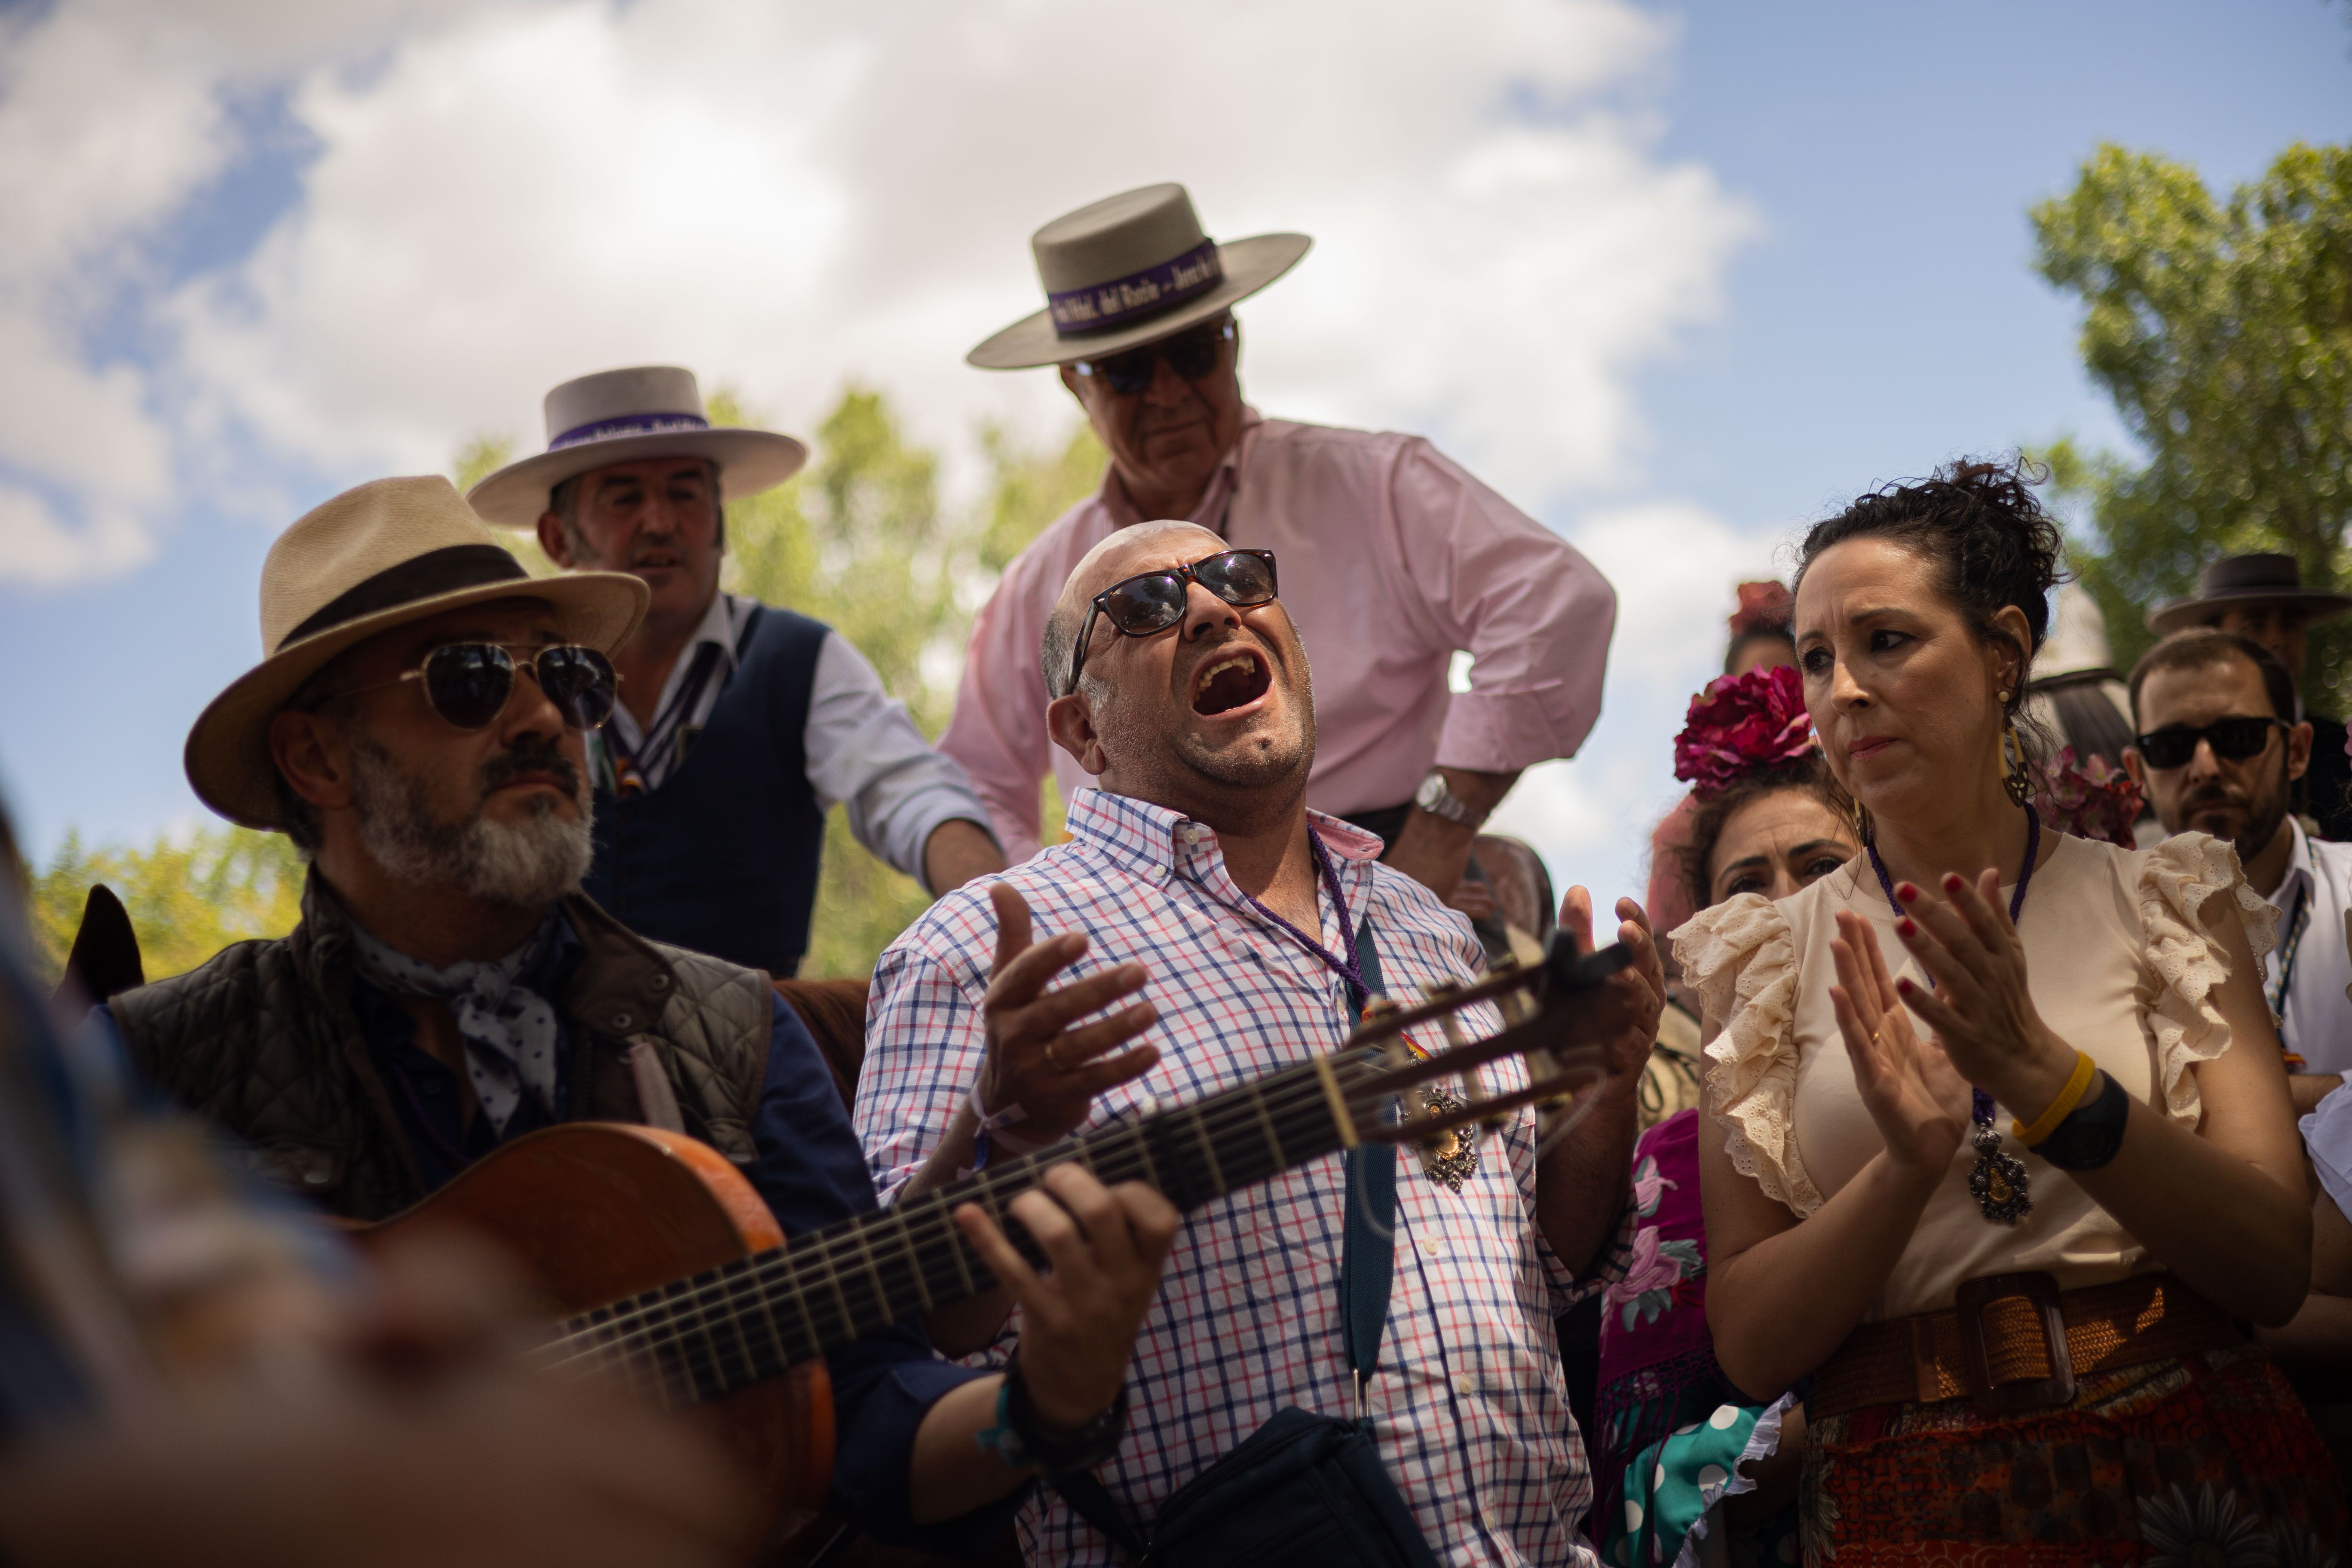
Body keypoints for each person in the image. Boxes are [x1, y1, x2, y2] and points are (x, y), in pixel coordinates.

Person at [98, 475, 1176, 1548]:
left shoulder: (740, 1035)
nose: (539, 717)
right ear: (315, 755)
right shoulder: (149, 1072)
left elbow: (870, 1406)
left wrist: (1039, 1409)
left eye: (565, 675)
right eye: (468, 680)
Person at [856, 519, 1663, 1563]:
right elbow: (914, 1341)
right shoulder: (975, 950)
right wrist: (998, 1131)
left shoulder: (1428, 930)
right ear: (1082, 731)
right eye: (1143, 608)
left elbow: (1545, 1265)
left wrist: (1603, 1084)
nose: (1206, 607)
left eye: (1234, 577)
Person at [1676, 460, 2343, 1558]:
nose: (1841, 690)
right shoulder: (1757, 959)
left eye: (1885, 641)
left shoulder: (2166, 901)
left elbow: (2272, 1265)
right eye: (1814, 659)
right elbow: (1748, 1345)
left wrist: (2050, 1082)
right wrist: (1901, 1165)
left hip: (2189, 1463)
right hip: (1905, 1494)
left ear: (2001, 654)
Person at [943, 183, 1617, 913]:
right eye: (1129, 371)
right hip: (1138, 906)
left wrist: (1443, 825)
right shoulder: (1042, 581)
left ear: (1232, 340)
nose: (1168, 391)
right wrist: (1044, 914)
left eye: (1194, 351)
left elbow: (1557, 604)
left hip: (1383, 863)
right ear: (1075, 385)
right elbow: (975, 775)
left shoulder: (1371, 484)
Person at [466, 365, 1004, 977]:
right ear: (557, 538)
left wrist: (996, 918)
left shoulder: (798, 660)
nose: (661, 522)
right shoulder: (517, 681)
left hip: (761, 1062)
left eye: (686, 493)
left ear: (721, 523)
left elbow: (908, 791)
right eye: (623, 497)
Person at [1588, 668, 1858, 1568]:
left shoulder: (1987, 1079)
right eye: (1747, 882)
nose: (1785, 901)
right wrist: (1767, 1454)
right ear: (1702, 931)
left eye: (1822, 868)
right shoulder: (1666, 1166)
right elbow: (1632, 1484)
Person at [2120, 629, 2346, 1109]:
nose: (2204, 767)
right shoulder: (2107, 925)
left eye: (2237, 738)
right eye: (2170, 746)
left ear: (2299, 751)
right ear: (2138, 773)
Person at [2149, 552, 2352, 842]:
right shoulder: (2174, 758)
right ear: (2214, 642)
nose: (2277, 639)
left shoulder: (2342, 750)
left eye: (2290, 624)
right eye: (2256, 625)